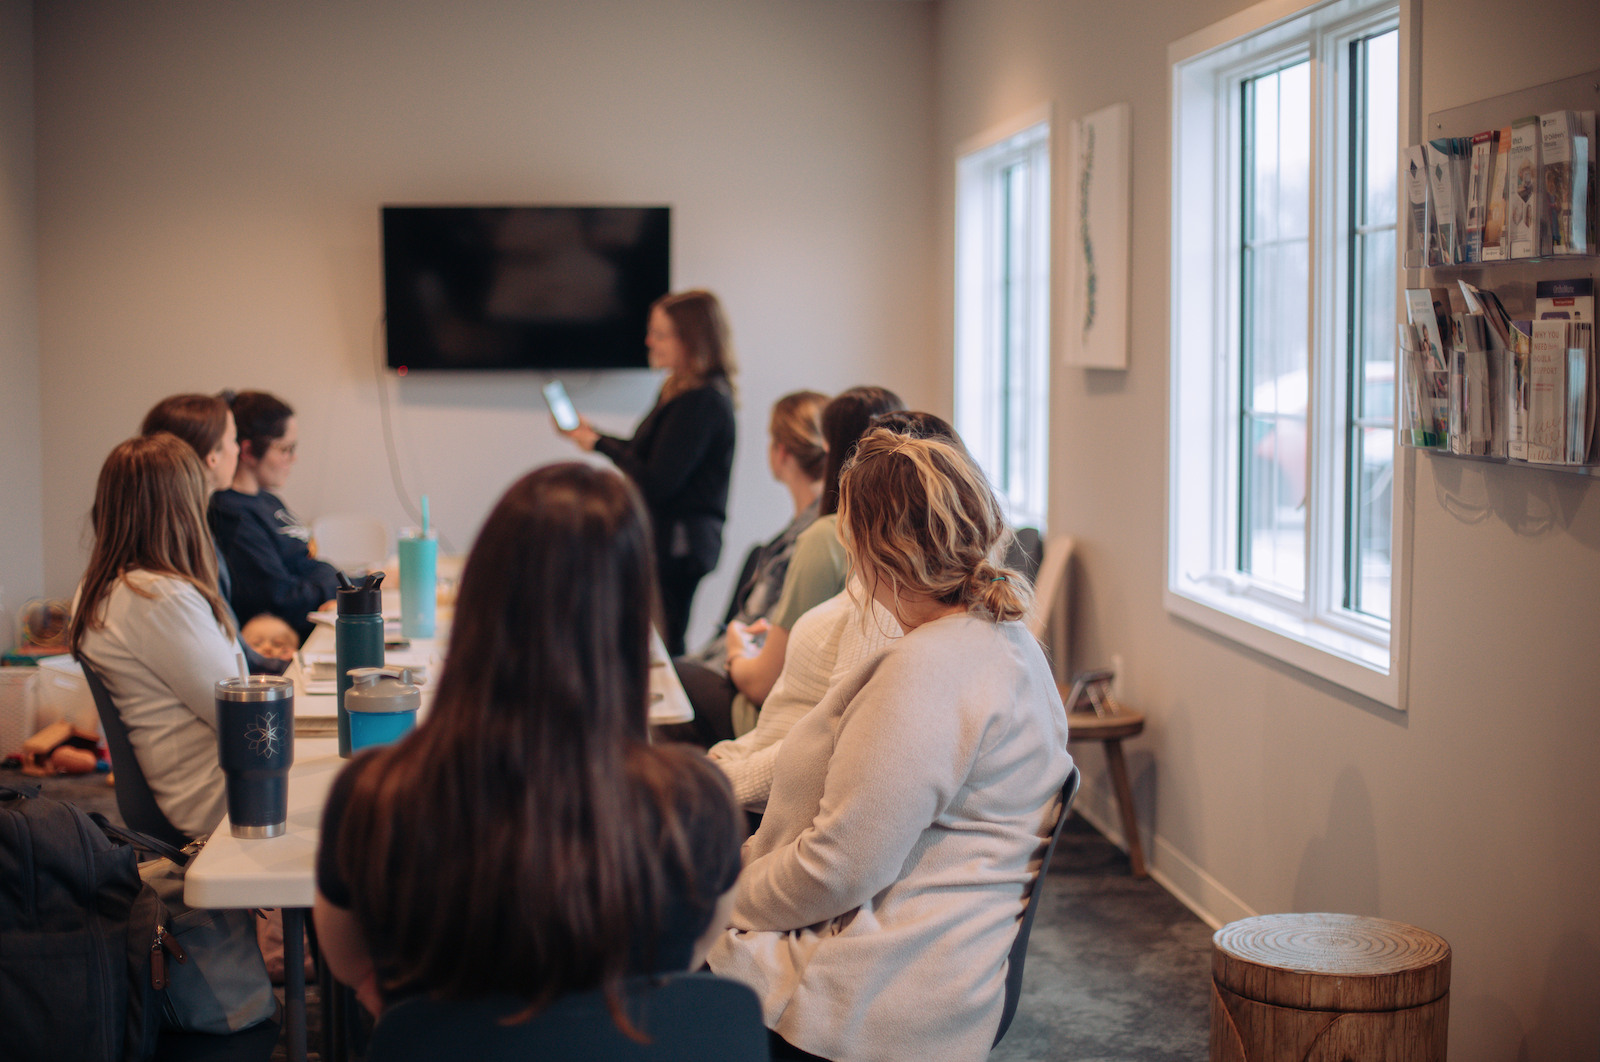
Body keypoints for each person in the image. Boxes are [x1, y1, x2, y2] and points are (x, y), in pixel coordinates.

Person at [313, 463, 745, 1023]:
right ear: (631, 619)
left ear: (476, 602)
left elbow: (350, 964)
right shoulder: (696, 804)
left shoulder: (374, 795)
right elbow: (686, 958)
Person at [707, 428, 1074, 1062]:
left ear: (874, 551)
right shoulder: (1010, 641)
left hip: (873, 983)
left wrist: (715, 897)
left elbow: (836, 870)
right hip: (941, 961)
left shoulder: (924, 674)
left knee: (634, 958)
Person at [707, 412, 965, 812]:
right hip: (770, 761)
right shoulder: (882, 592)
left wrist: (726, 779)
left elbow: (829, 744)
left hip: (780, 792)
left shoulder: (886, 606)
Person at [68, 434, 238, 840]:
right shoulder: (159, 599)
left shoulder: (100, 586)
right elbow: (240, 714)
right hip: (220, 797)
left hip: (189, 786)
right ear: (183, 508)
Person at [715, 386, 904, 734]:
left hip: (788, 717)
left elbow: (763, 682)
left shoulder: (826, 538)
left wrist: (735, 650)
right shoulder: (900, 539)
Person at [559, 290, 737, 655]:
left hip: (679, 546)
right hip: (668, 539)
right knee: (656, 636)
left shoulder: (701, 401)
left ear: (690, 339)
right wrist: (596, 438)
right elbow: (647, 454)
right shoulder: (679, 390)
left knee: (664, 641)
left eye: (660, 333)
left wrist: (600, 445)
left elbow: (658, 481)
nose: (649, 341)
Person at [671, 390, 829, 745]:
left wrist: (725, 655)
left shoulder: (807, 540)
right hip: (748, 671)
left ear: (781, 452)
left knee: (664, 683)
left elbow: (758, 645)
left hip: (755, 688)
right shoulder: (808, 531)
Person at [140, 392, 293, 675]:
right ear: (212, 456)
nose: (238, 451)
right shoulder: (192, 538)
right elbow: (227, 649)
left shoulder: (187, 528)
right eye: (233, 440)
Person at [210, 390, 340, 643]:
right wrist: (338, 586)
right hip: (286, 641)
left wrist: (347, 583)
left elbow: (306, 565)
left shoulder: (268, 500)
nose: (293, 458)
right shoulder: (232, 516)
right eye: (285, 449)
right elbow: (280, 600)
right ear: (248, 450)